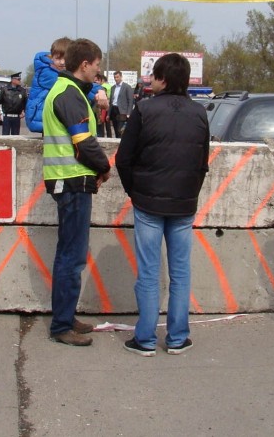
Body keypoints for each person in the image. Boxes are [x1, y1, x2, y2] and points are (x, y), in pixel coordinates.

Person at [116, 53, 209, 356]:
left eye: (154, 77)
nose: (151, 82)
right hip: (184, 204)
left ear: (163, 80)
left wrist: (135, 191)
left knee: (149, 272)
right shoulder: (199, 113)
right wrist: (190, 192)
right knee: (180, 272)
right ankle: (178, 337)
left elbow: (123, 159)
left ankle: (144, 339)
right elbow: (202, 163)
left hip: (148, 203)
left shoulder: (144, 110)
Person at [42, 38, 111, 346]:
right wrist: (105, 167)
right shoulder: (69, 94)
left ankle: (66, 317)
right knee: (71, 256)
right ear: (85, 64)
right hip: (71, 181)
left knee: (69, 254)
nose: (99, 71)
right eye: (97, 65)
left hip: (69, 180)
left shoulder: (68, 91)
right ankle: (61, 326)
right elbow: (83, 141)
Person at [108, 70, 135, 137]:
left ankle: (121, 144)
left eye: (117, 77)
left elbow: (130, 100)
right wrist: (108, 114)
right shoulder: (113, 87)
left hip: (122, 111)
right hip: (114, 109)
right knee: (115, 128)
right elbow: (111, 101)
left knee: (120, 130)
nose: (116, 79)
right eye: (115, 77)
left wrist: (128, 113)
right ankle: (117, 142)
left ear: (121, 77)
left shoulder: (127, 87)